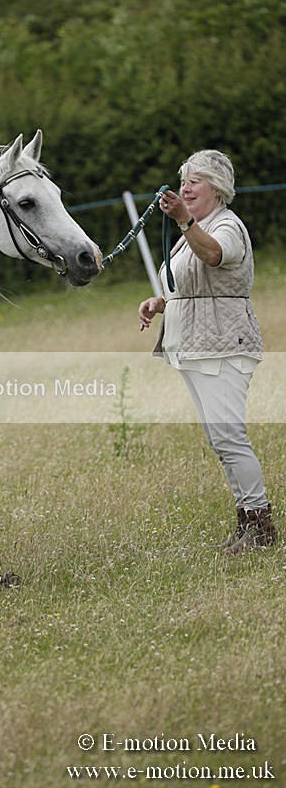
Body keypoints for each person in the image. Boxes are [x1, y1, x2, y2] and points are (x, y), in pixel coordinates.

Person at [138, 150, 277, 554]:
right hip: (196, 346)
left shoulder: (227, 225)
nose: (185, 188)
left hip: (223, 346)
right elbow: (192, 283)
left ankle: (261, 526)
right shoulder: (196, 229)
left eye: (194, 181)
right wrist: (160, 302)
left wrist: (184, 220)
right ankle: (247, 521)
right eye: (183, 180)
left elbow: (214, 255)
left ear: (217, 189)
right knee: (220, 439)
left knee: (229, 437)